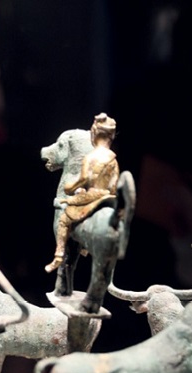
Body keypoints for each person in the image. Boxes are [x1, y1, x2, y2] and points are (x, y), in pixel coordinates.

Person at [45, 112, 119, 273]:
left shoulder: (90, 157)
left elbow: (84, 178)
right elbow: (114, 184)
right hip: (108, 197)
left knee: (64, 219)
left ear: (95, 134)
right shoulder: (113, 159)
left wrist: (70, 188)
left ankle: (59, 255)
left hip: (92, 196)